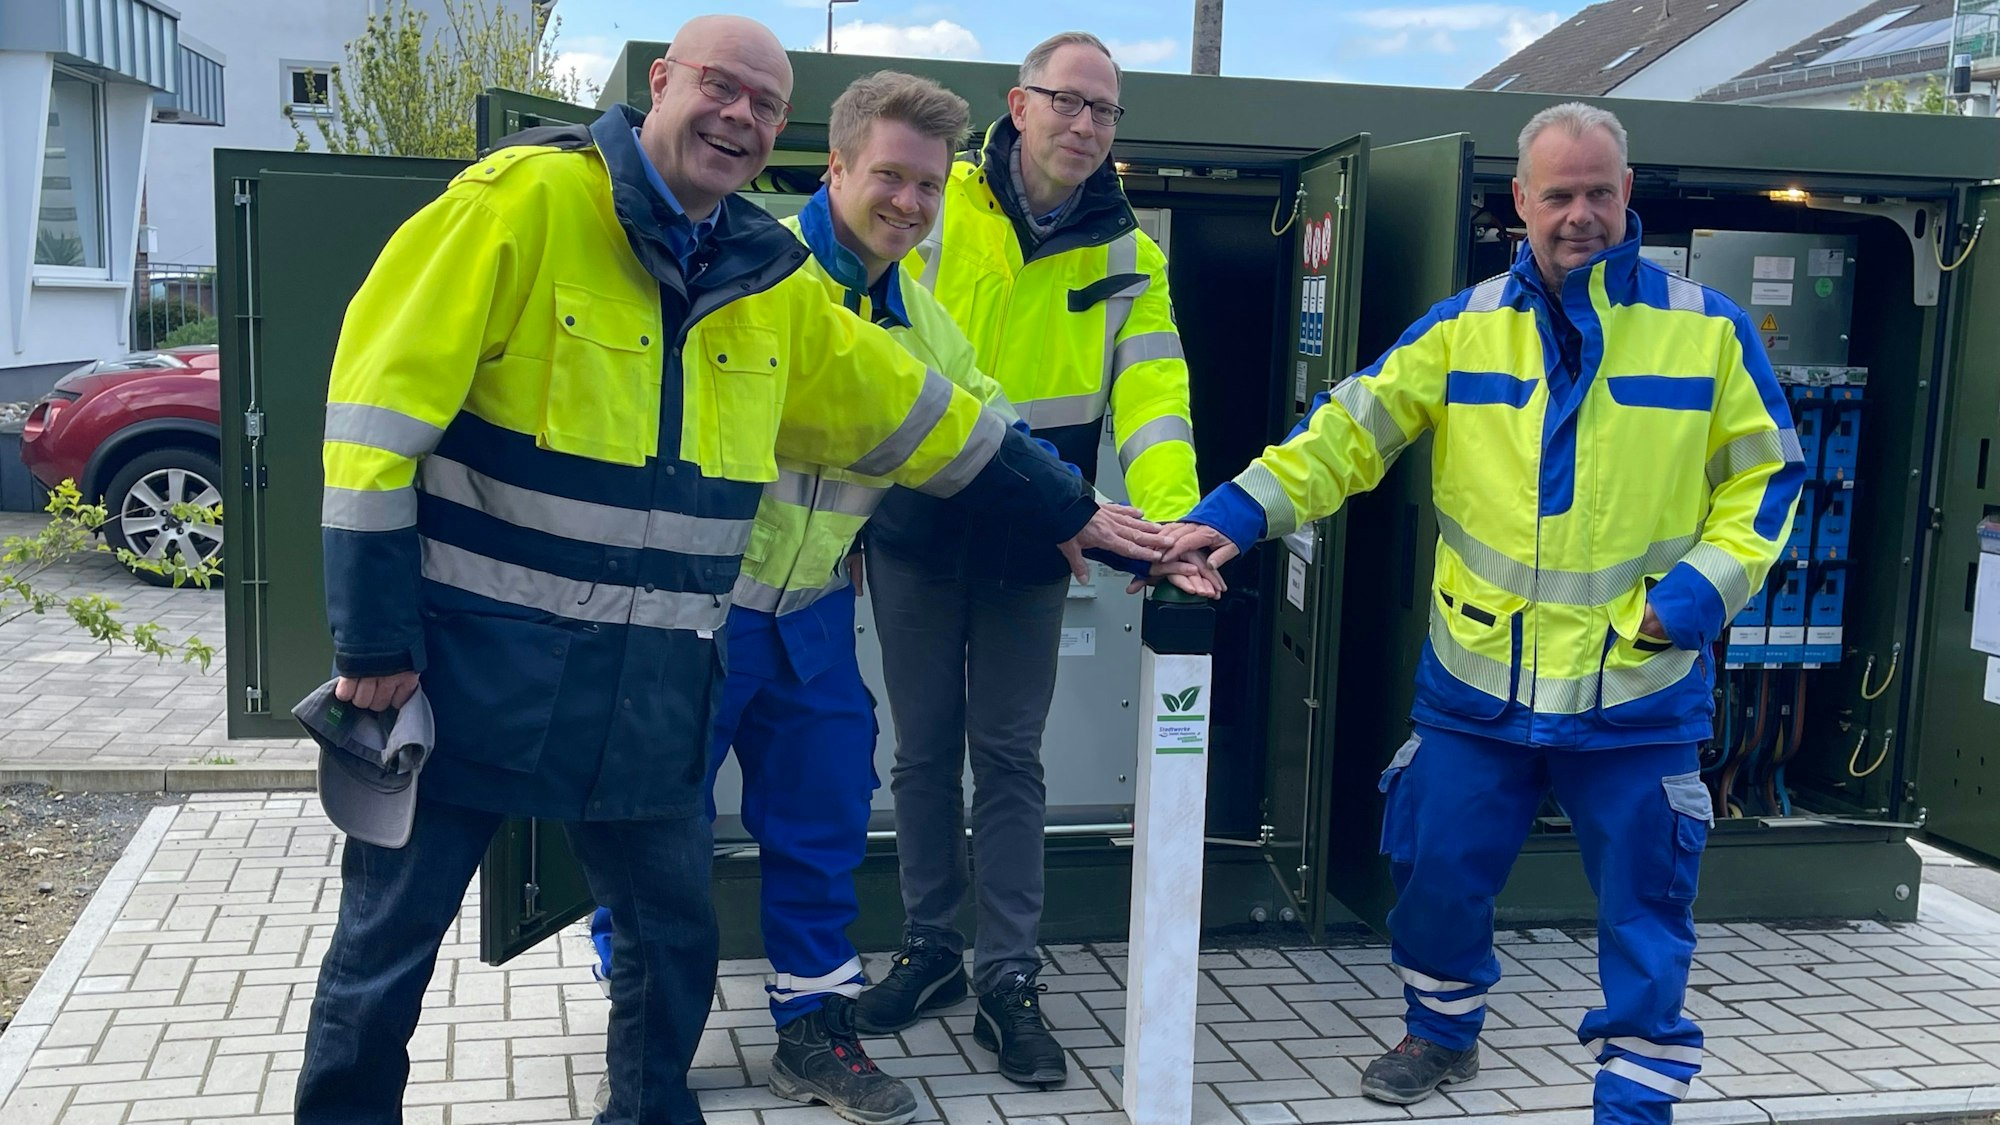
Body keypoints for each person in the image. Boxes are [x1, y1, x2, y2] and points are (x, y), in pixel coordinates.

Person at [295, 15, 1170, 1125]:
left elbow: (928, 413)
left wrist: (1078, 509)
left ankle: (669, 1103)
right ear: (661, 82)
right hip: (469, 662)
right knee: (387, 948)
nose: (740, 116)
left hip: (659, 668)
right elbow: (372, 428)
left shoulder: (766, 278)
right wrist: (374, 641)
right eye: (721, 86)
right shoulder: (518, 204)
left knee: (676, 938)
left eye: (765, 105)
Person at [579, 68, 1204, 1124]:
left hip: (814, 607)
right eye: (890, 179)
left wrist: (1100, 514)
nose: (910, 205)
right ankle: (643, 1063)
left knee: (823, 823)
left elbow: (991, 415)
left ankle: (814, 1034)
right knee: (658, 831)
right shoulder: (750, 265)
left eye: (924, 186)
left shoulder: (915, 306)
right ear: (834, 168)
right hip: (702, 604)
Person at [1162, 103, 1804, 1125]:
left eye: (1599, 192)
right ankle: (1441, 1029)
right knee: (1434, 872)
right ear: (1520, 201)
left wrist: (1686, 602)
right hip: (1476, 683)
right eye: (1559, 194)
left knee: (1647, 908)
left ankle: (1635, 1097)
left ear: (1627, 193)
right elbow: (1344, 434)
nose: (1580, 214)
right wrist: (1230, 517)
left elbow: (1767, 480)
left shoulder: (1708, 329)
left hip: (1637, 687)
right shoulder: (1464, 326)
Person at [854, 31, 1202, 1089]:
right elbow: (873, 353)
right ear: (1018, 105)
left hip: (1039, 540)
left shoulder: (1130, 253)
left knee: (1008, 757)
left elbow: (1154, 401)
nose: (1086, 125)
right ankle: (930, 950)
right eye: (1068, 102)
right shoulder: (934, 206)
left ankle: (1007, 977)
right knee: (922, 753)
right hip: (917, 525)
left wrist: (1173, 531)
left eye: (1104, 110)